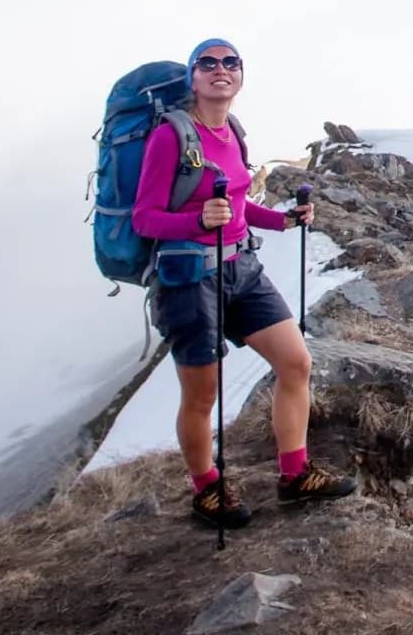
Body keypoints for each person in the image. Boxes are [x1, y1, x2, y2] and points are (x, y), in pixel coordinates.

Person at [132, 38, 355, 526]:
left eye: (230, 63)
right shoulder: (171, 137)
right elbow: (144, 219)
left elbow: (235, 202)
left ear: (240, 75)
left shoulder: (232, 131)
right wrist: (196, 223)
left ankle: (294, 476)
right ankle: (207, 488)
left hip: (240, 267)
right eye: (207, 63)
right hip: (188, 277)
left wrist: (283, 221)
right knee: (202, 396)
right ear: (192, 77)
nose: (220, 70)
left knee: (295, 362)